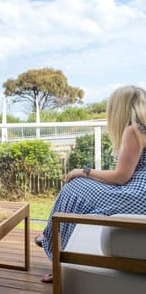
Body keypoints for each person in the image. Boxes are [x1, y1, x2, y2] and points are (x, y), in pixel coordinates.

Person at [36, 85, 146, 283]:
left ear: (118, 108)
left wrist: (84, 171)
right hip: (139, 195)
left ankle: (55, 249)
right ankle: (54, 242)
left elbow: (121, 177)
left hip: (137, 197)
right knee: (82, 193)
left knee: (75, 184)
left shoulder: (133, 130)